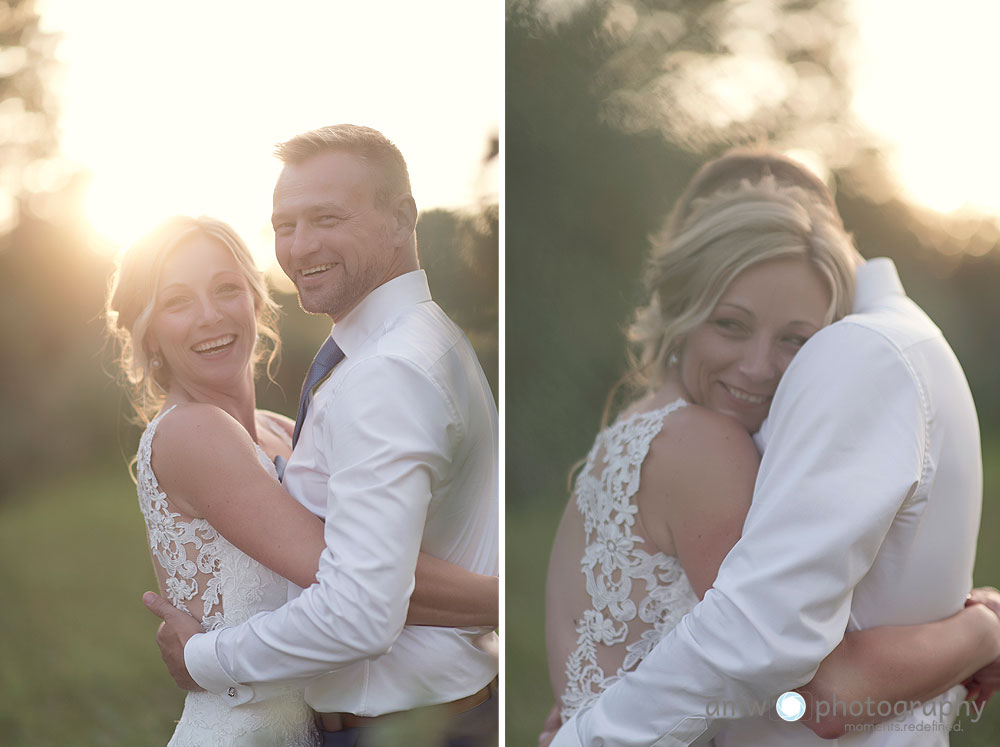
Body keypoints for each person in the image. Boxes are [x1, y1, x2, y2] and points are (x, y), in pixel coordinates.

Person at [544, 150, 999, 746]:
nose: (759, 368)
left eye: (794, 340)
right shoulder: (706, 447)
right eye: (730, 324)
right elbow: (816, 695)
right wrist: (981, 633)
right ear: (683, 308)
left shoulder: (638, 425)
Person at [140, 125, 499, 747]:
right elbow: (360, 582)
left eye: (227, 289)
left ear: (256, 301)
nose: (301, 245)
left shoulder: (365, 379)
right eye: (285, 227)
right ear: (148, 330)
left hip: (403, 725)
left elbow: (360, 595)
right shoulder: (404, 351)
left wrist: (203, 656)